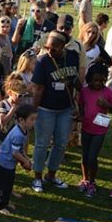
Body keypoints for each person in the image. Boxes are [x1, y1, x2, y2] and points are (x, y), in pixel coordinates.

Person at [31, 30, 79, 193]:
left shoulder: (73, 56)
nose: (50, 52)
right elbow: (38, 88)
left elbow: (73, 81)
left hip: (65, 108)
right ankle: (37, 177)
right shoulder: (42, 61)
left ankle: (51, 175)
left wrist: (76, 102)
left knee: (61, 144)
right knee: (42, 143)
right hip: (45, 108)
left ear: (63, 47)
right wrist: (34, 110)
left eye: (54, 49)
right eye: (47, 48)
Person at [78, 63, 112, 198]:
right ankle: (84, 179)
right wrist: (79, 116)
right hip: (86, 127)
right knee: (85, 156)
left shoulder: (108, 92)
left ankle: (92, 181)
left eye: (101, 80)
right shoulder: (85, 91)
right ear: (89, 79)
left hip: (100, 129)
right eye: (95, 80)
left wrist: (107, 105)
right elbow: (81, 107)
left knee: (92, 157)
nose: (98, 83)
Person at [0, 104, 36, 215]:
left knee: (8, 184)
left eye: (35, 119)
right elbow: (15, 153)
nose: (34, 122)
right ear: (21, 120)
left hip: (8, 164)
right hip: (4, 164)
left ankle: (5, 202)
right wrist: (25, 161)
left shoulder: (23, 130)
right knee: (3, 186)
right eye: (32, 119)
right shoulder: (18, 134)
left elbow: (20, 149)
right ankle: (0, 206)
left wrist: (26, 158)